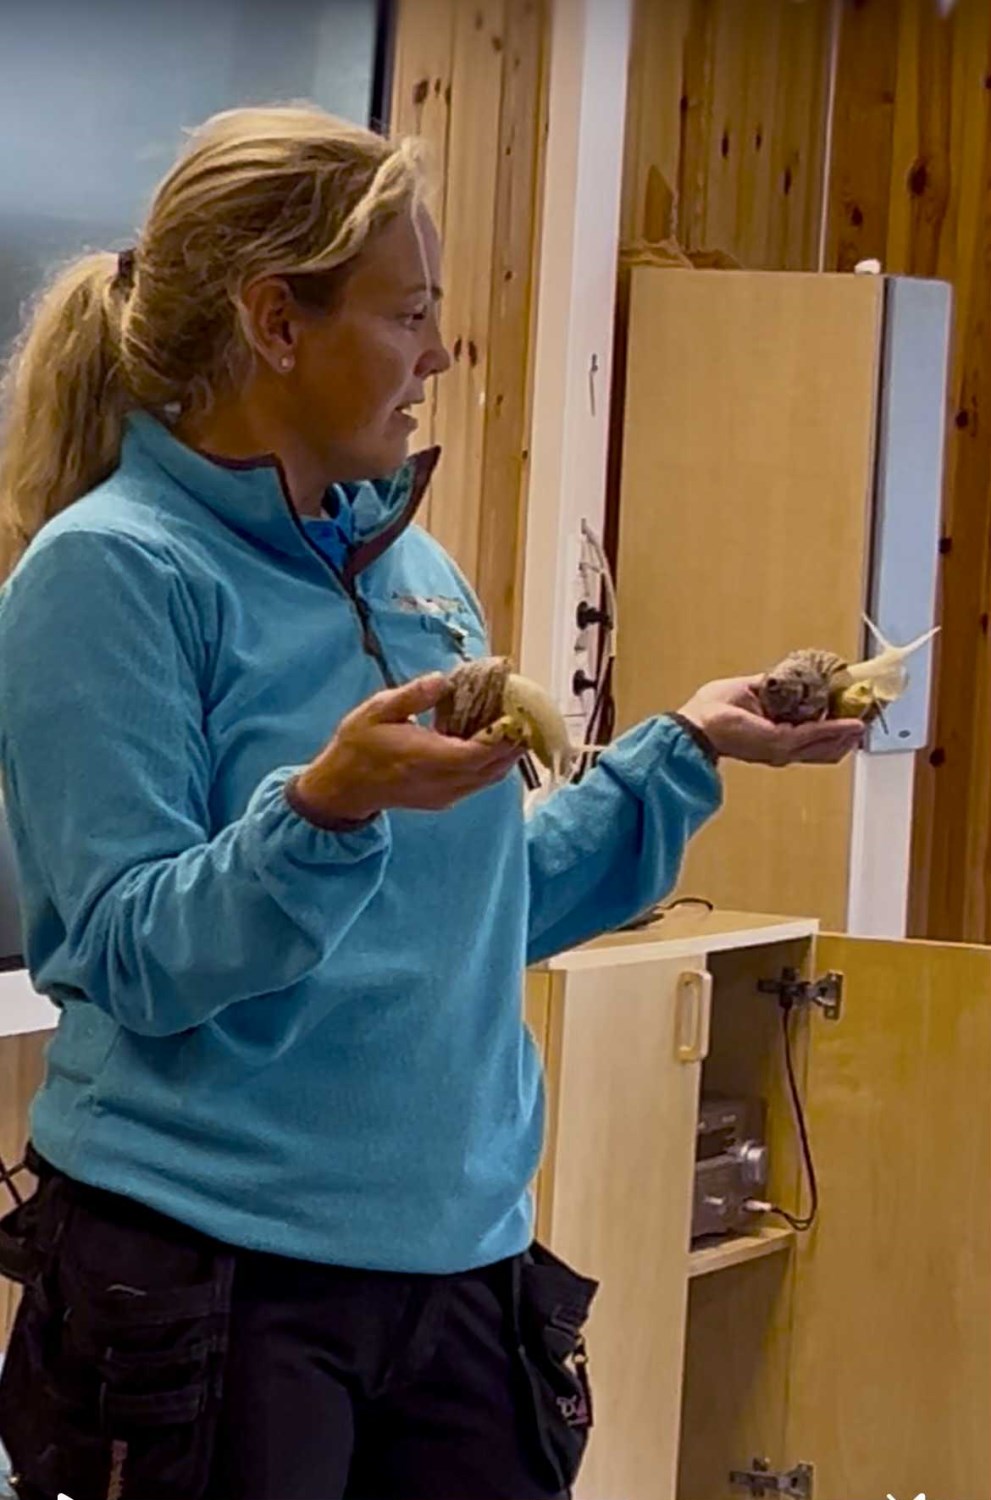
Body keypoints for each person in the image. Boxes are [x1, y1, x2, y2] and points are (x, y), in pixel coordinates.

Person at [0, 105, 863, 1500]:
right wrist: (324, 811)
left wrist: (691, 750)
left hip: (463, 1279)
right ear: (277, 323)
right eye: (409, 314)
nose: (442, 354)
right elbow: (127, 953)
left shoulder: (419, 574)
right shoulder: (111, 574)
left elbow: (476, 909)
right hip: (215, 1292)